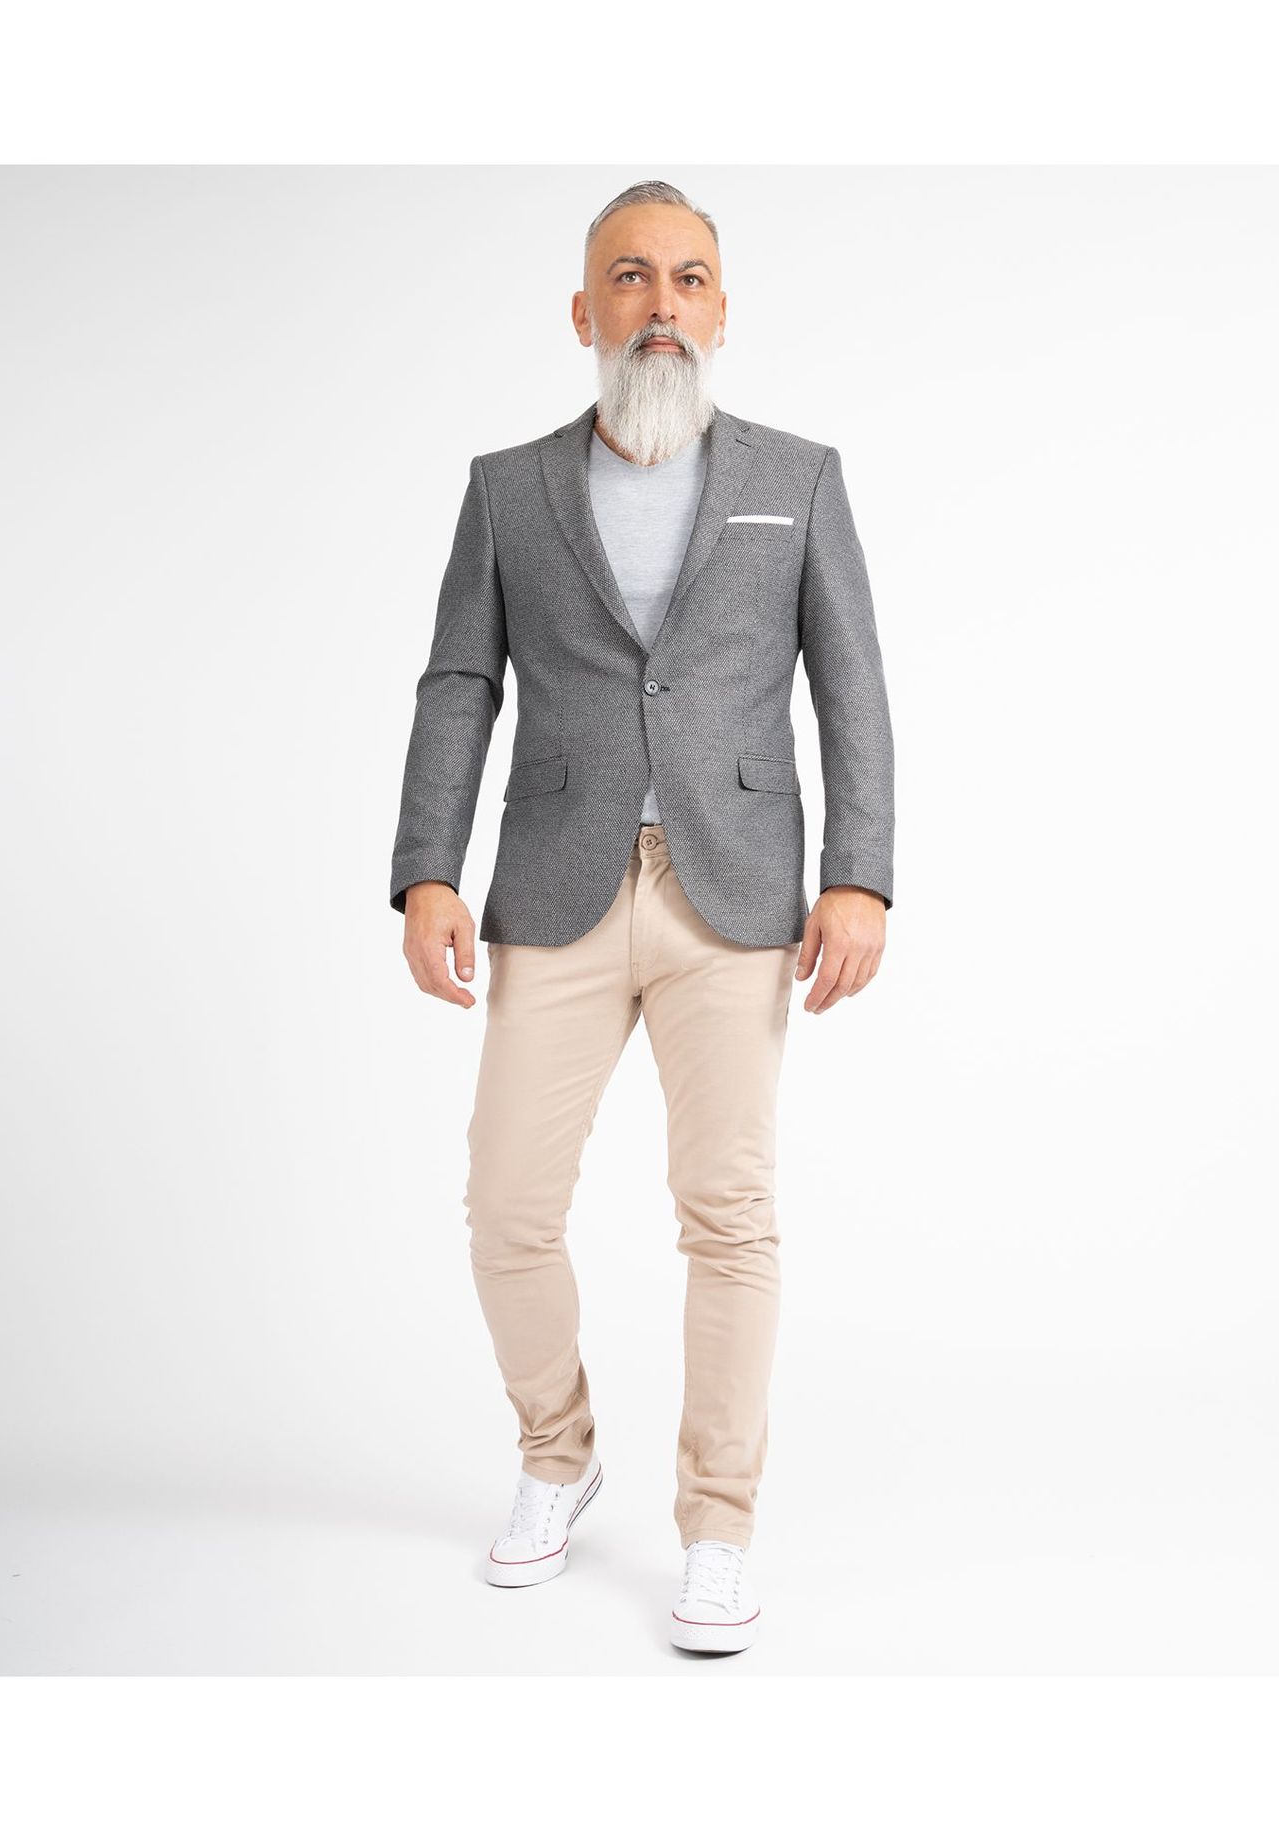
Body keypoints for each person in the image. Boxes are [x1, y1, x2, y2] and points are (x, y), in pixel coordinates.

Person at [390, 179, 895, 1653]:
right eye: (629, 276)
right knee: (505, 1206)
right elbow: (459, 683)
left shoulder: (799, 477)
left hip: (733, 895)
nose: (659, 303)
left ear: (721, 311)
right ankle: (558, 1454)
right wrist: (428, 866)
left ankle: (718, 1526)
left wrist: (860, 871)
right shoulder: (508, 487)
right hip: (555, 888)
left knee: (727, 1215)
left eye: (686, 278)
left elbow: (852, 685)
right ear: (584, 312)